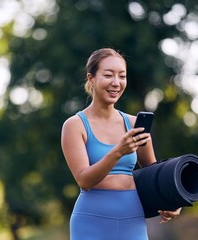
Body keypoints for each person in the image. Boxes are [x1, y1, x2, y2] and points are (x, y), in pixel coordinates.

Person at [61, 48, 181, 240]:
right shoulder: (75, 126)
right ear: (91, 79)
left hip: (131, 219)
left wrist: (172, 200)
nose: (116, 83)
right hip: (91, 221)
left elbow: (154, 174)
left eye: (122, 76)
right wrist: (118, 151)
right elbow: (84, 181)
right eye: (108, 75)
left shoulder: (134, 125)